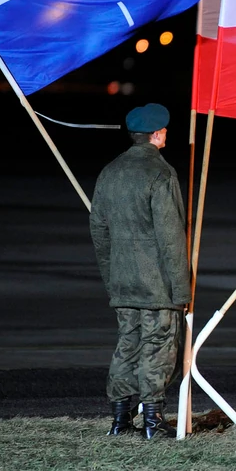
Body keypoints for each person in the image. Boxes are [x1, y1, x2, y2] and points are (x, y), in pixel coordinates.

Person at [89, 102, 191, 440]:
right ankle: (152, 420)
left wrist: (112, 279)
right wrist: (181, 290)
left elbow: (99, 231)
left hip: (123, 281)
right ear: (157, 134)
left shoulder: (110, 172)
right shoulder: (160, 173)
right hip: (157, 284)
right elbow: (171, 238)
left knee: (127, 345)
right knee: (158, 347)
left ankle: (120, 420)